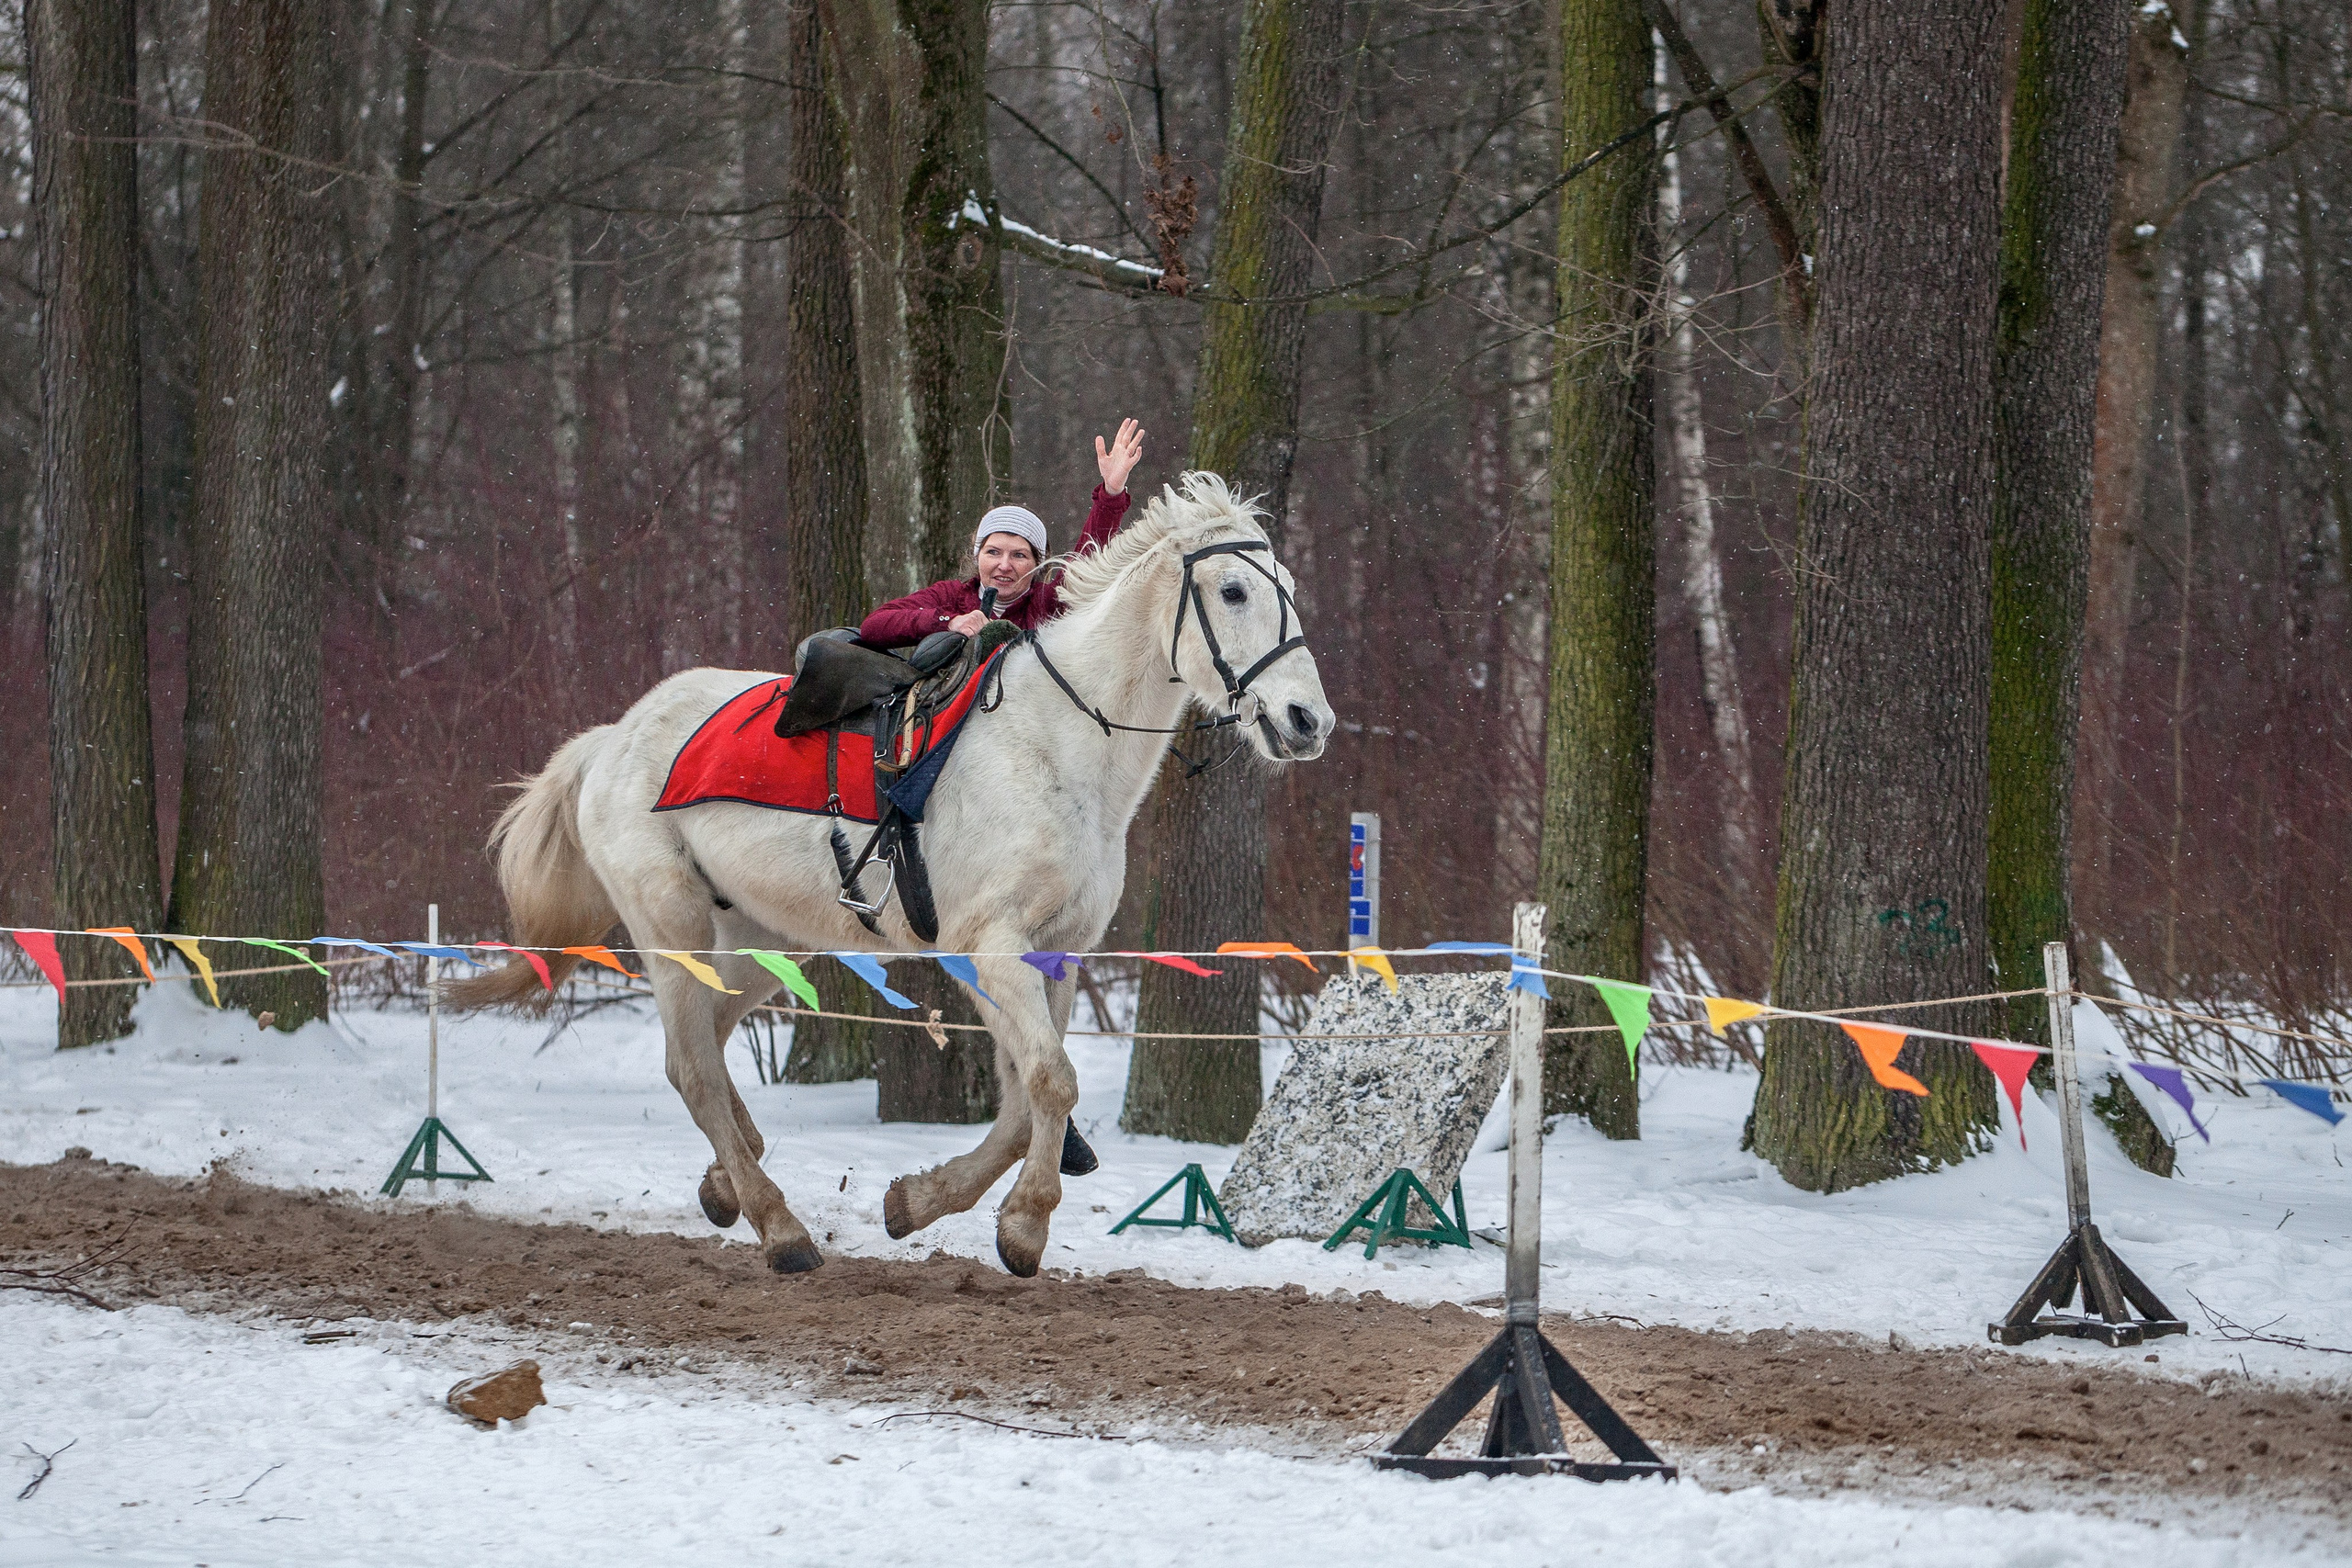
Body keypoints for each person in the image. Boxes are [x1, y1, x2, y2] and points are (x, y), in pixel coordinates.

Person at [858, 419, 1148, 649]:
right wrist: (950, 622)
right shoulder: (951, 596)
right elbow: (874, 626)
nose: (1004, 565)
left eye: (1019, 555)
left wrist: (1112, 491)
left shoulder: (1048, 602)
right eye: (993, 552)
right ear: (978, 555)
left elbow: (1088, 557)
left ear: (1037, 564)